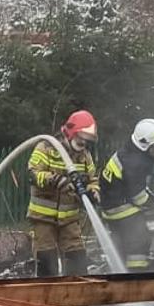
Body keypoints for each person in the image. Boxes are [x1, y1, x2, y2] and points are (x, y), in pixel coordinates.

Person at [27, 110, 101, 277]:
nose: (84, 142)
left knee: (77, 258)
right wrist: (54, 180)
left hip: (69, 219)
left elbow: (93, 180)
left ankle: (76, 291)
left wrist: (93, 192)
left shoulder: (85, 156)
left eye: (88, 139)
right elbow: (33, 174)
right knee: (47, 260)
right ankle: (48, 292)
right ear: (71, 132)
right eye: (81, 137)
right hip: (43, 218)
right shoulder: (46, 148)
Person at [100, 118, 154, 270]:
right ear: (144, 144)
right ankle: (137, 272)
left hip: (111, 205)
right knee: (140, 239)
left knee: (123, 243)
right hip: (120, 207)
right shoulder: (135, 162)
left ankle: (121, 272)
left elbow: (133, 185)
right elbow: (138, 198)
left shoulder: (130, 153)